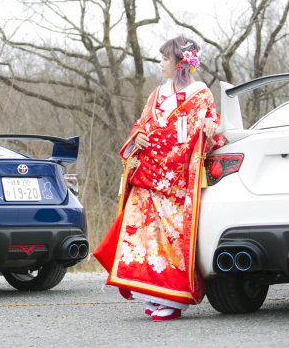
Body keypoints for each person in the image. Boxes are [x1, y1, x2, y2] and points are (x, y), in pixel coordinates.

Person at [94, 36, 225, 321]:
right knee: (144, 238)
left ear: (180, 63)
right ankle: (152, 294)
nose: (161, 63)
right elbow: (142, 123)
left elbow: (211, 129)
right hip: (148, 173)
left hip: (175, 181)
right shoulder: (157, 93)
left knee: (170, 240)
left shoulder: (201, 95)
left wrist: (208, 127)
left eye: (165, 58)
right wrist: (137, 136)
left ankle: (172, 298)